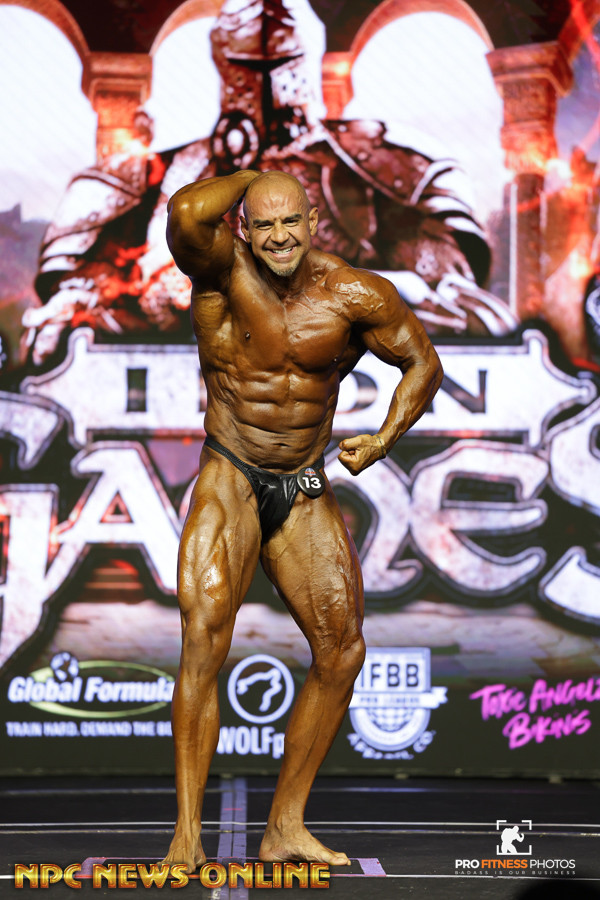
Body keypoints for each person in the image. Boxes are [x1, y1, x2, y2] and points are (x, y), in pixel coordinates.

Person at [161, 168, 443, 871]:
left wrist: (383, 440)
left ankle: (285, 825)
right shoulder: (219, 272)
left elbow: (422, 363)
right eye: (264, 224)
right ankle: (187, 837)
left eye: (292, 221)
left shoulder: (353, 293)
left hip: (303, 480)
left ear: (315, 221)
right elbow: (186, 211)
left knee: (342, 650)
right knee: (204, 637)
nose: (280, 237)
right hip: (231, 471)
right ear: (244, 228)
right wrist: (255, 175)